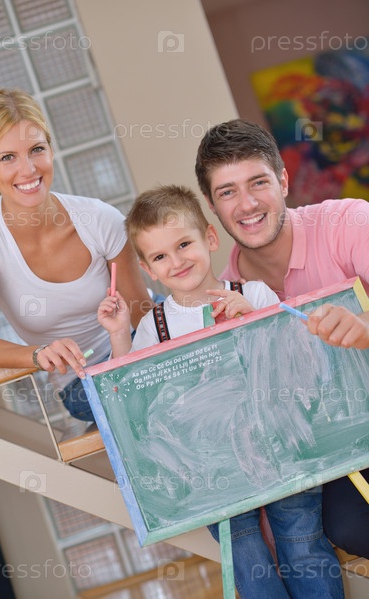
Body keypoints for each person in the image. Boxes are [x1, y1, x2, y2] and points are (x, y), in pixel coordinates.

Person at [97, 184, 344, 599]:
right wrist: (120, 333)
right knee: (244, 552)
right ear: (147, 269)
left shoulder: (253, 293)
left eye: (184, 244)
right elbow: (129, 391)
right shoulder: (155, 326)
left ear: (210, 238)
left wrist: (257, 318)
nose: (177, 261)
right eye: (160, 256)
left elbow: (299, 357)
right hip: (209, 468)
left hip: (282, 444)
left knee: (302, 539)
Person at [195, 117, 369, 559]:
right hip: (341, 446)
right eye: (227, 192)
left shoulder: (349, 223)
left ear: (284, 181)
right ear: (211, 206)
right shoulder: (223, 303)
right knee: (348, 525)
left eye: (258, 182)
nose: (247, 204)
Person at [0, 88, 154, 422]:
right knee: (126, 404)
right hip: (81, 382)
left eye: (37, 149)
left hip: (139, 346)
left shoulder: (99, 219)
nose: (28, 169)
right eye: (7, 157)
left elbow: (143, 315)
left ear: (51, 150)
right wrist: (38, 354)